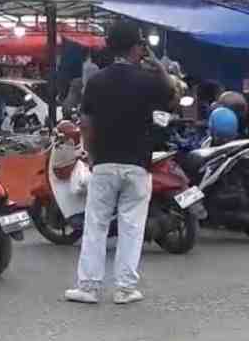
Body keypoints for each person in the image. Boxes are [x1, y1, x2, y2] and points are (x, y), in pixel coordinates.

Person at [65, 21, 171, 306]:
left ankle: (88, 287)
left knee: (96, 225)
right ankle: (125, 289)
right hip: (138, 165)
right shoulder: (148, 80)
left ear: (109, 47)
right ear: (137, 47)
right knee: (132, 227)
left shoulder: (96, 81)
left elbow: (86, 122)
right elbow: (172, 93)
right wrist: (158, 65)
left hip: (104, 163)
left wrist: (91, 154)